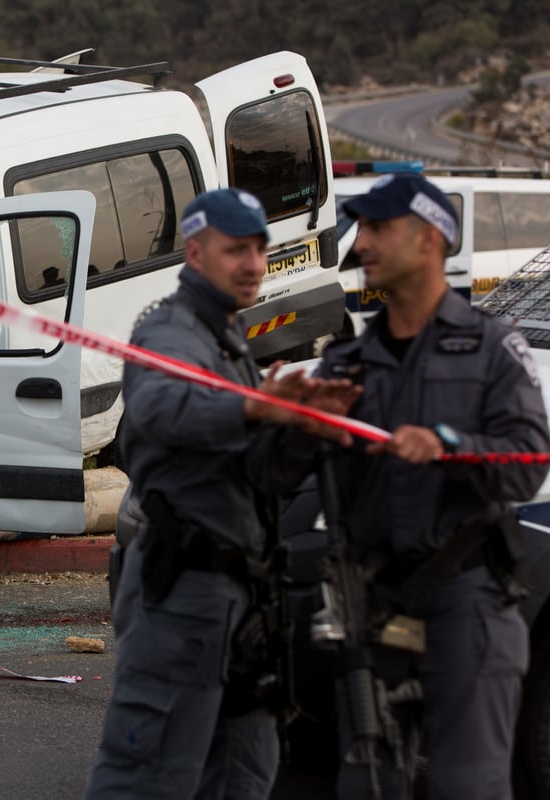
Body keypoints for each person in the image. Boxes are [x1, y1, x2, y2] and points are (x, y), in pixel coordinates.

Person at [84, 188, 358, 799]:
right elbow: (166, 411)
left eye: (260, 248)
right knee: (149, 776)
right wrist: (262, 405)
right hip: (183, 592)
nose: (255, 263)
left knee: (243, 773)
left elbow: (258, 473)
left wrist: (305, 431)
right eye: (236, 250)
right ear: (196, 254)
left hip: (245, 601)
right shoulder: (170, 333)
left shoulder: (228, 341)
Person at [301, 173, 550, 799]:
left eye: (379, 229)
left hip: (467, 601)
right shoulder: (345, 363)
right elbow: (291, 473)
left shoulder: (494, 350)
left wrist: (451, 447)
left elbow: (528, 465)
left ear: (431, 239)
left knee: (468, 785)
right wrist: (290, 422)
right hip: (373, 602)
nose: (361, 245)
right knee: (368, 786)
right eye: (360, 230)